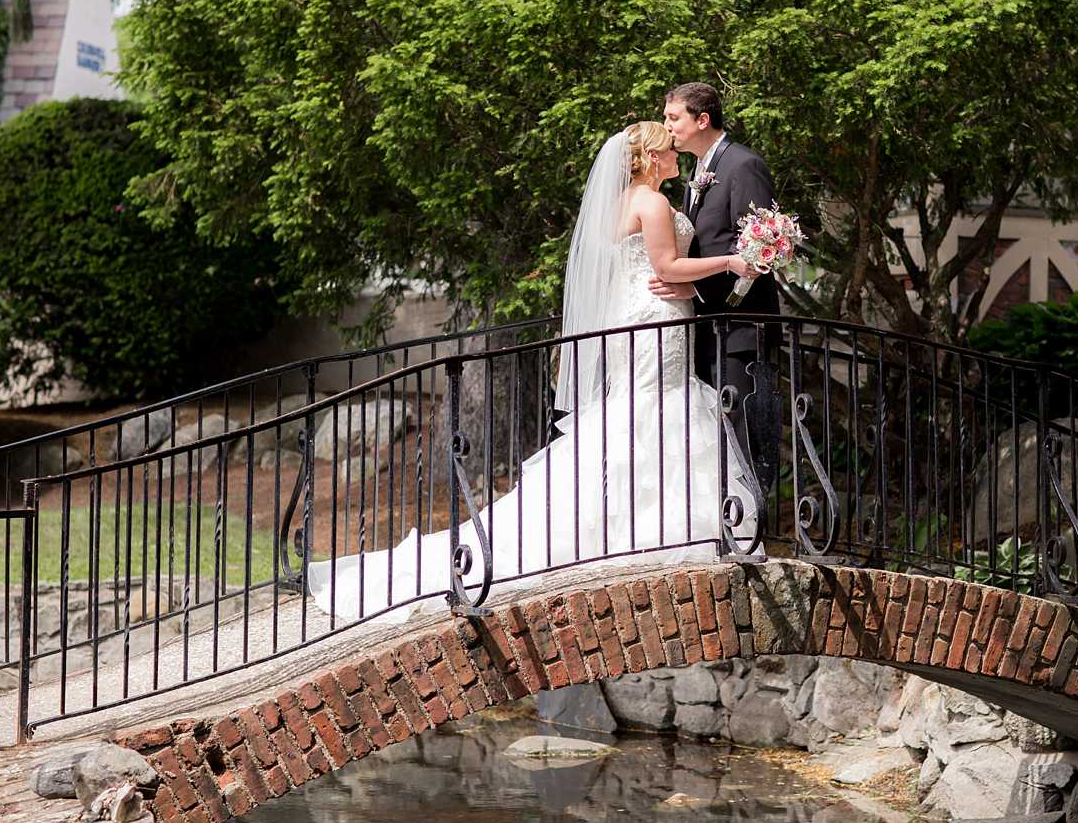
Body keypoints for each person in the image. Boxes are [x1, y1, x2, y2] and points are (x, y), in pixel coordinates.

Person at [307, 122, 759, 624]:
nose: (676, 153)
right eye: (668, 148)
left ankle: (633, 525)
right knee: (655, 410)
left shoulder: (624, 201)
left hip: (647, 315)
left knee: (641, 413)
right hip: (655, 319)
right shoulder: (651, 203)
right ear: (652, 157)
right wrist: (734, 263)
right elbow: (666, 266)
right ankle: (652, 530)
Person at [656, 82, 782, 492]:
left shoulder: (742, 165)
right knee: (715, 436)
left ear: (702, 119)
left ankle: (750, 531)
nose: (667, 126)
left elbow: (757, 253)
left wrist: (696, 290)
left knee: (743, 432)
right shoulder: (700, 169)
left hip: (742, 329)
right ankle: (723, 523)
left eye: (674, 118)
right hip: (710, 327)